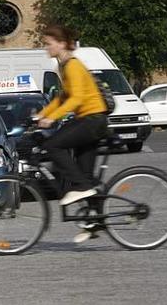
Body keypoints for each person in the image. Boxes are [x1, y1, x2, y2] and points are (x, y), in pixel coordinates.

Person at [36, 25, 108, 242]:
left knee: (53, 145)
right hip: (90, 120)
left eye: (48, 43)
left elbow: (75, 99)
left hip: (92, 119)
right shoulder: (64, 66)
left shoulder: (73, 66)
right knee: (86, 176)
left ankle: (82, 187)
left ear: (61, 44)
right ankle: (95, 222)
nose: (46, 47)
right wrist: (41, 114)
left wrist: (52, 118)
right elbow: (61, 98)